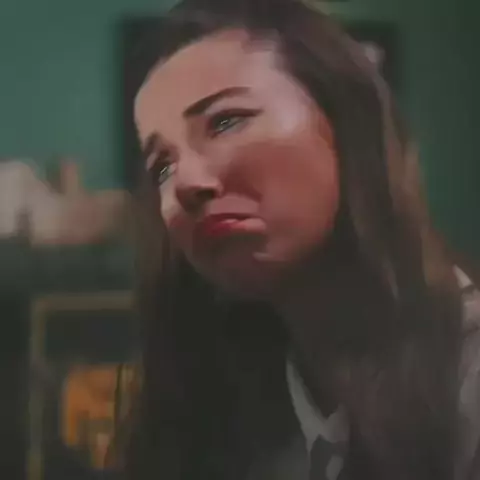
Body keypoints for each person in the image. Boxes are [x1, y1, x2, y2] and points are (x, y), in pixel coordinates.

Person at [122, 0, 480, 478]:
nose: (184, 184)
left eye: (225, 121)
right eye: (161, 166)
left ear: (345, 124)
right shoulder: (215, 412)